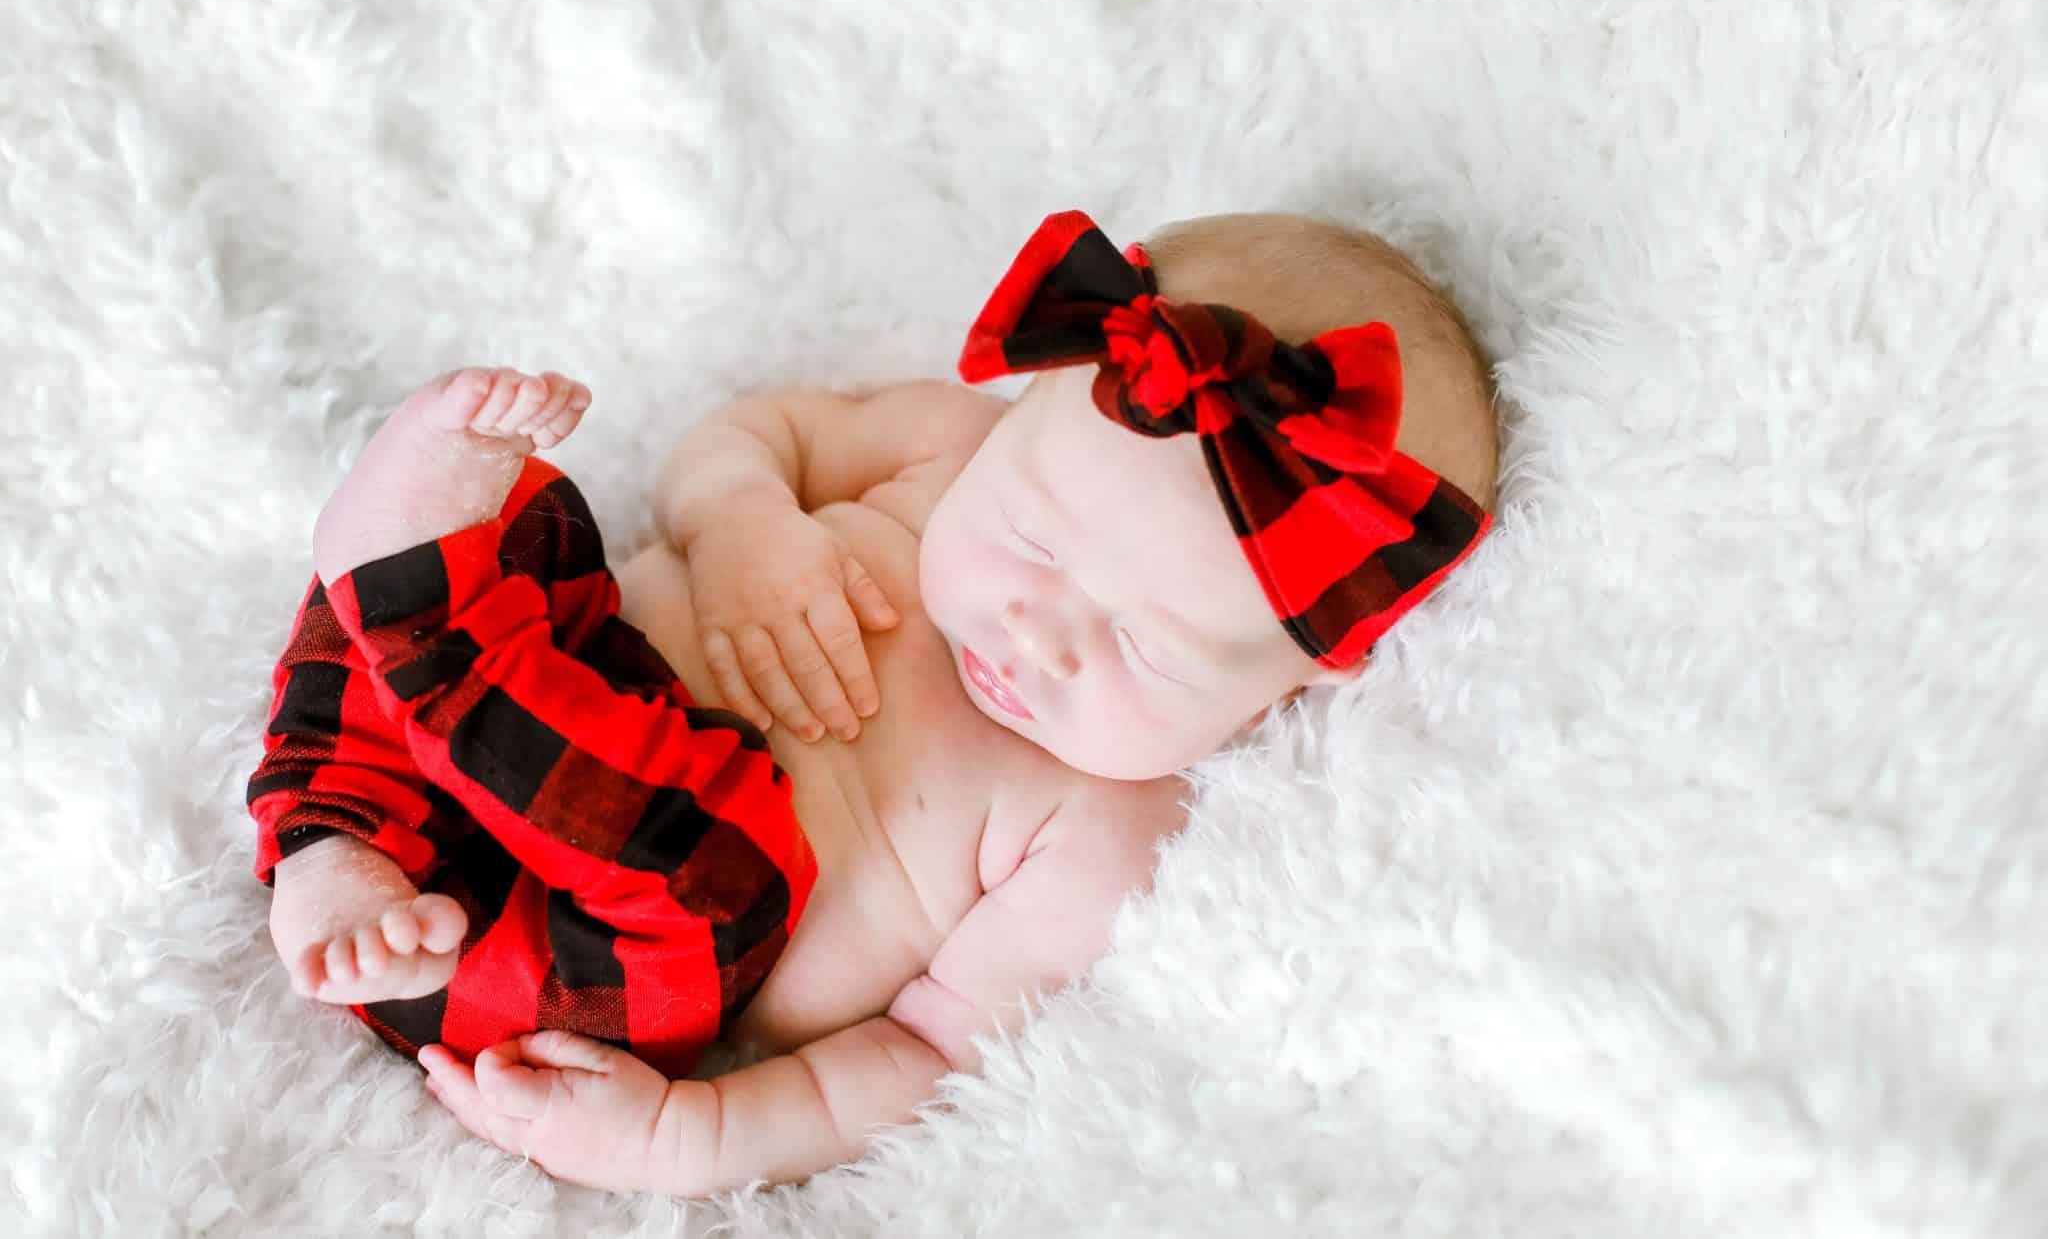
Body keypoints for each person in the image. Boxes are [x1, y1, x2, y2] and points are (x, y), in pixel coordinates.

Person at [249, 210, 1499, 1195]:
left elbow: (924, 1055)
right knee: (531, 528)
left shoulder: (1106, 830)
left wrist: (686, 1139)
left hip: (577, 958)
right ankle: (330, 840)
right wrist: (742, 522)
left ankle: (404, 589)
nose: (1037, 635)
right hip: (501, 716)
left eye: (1145, 644)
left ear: (1302, 678)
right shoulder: (944, 443)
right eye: (1032, 542)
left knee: (719, 864)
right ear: (1021, 412)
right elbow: (758, 433)